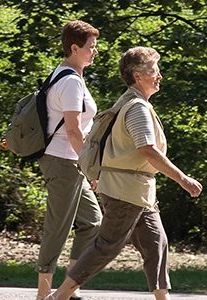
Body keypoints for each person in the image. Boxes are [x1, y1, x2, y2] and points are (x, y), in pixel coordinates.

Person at [44, 46, 202, 300]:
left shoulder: (131, 102)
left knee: (155, 243)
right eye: (154, 70)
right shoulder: (137, 107)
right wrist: (182, 179)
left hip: (140, 190)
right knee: (107, 246)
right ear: (138, 75)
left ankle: (163, 298)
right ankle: (59, 296)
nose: (160, 75)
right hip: (126, 189)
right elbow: (147, 149)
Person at [36, 20, 103, 300]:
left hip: (70, 162)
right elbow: (74, 130)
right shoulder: (71, 82)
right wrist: (92, 169)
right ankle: (43, 293)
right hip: (63, 162)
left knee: (93, 222)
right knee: (58, 228)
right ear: (74, 48)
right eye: (90, 47)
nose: (95, 52)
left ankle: (69, 288)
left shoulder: (66, 75)